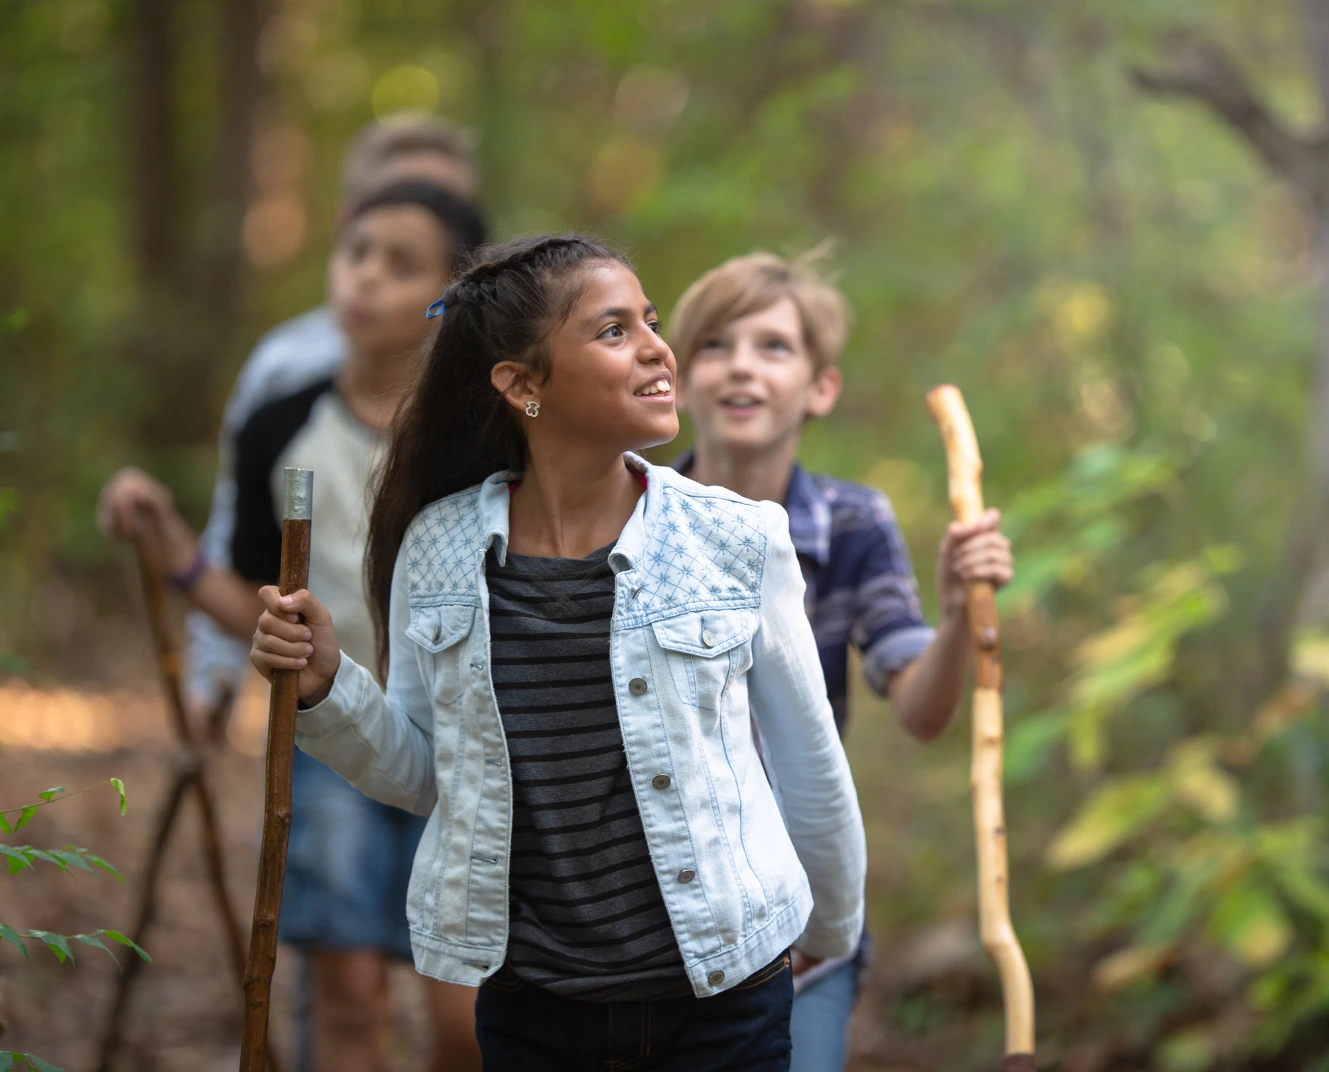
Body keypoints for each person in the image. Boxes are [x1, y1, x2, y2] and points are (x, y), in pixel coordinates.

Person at [244, 234, 867, 1071]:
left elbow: (808, 757)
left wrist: (829, 933)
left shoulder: (736, 538)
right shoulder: (441, 548)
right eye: (614, 331)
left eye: (650, 321)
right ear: (523, 383)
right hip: (535, 1007)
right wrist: (327, 686)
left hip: (725, 996)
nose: (657, 347)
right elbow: (427, 772)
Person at [99, 182, 488, 1071]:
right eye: (356, 253)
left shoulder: (481, 437)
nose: (365, 278)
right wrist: (168, 543)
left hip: (468, 743)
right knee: (347, 996)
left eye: (401, 264)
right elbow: (252, 599)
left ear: (450, 295)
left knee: (464, 1019)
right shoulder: (281, 423)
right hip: (327, 742)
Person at [666, 249, 1015, 1071]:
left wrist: (962, 612)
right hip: (659, 918)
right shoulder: (632, 515)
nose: (742, 366)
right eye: (715, 345)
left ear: (820, 388)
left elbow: (923, 711)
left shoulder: (854, 524)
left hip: (802, 917)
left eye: (774, 347)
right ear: (677, 382)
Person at [184, 114, 481, 706]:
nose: (369, 275)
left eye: (438, 203)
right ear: (347, 222)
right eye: (362, 248)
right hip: (330, 712)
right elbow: (238, 544)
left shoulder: (491, 413)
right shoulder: (282, 379)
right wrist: (211, 680)